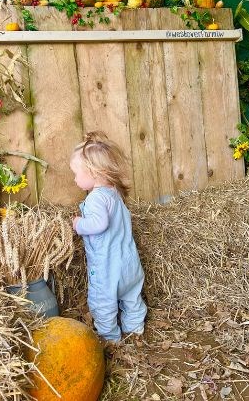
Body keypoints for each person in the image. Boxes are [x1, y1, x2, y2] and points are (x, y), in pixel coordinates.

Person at [69, 131, 147, 343]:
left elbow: (99, 224)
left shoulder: (96, 198)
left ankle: (110, 338)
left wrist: (79, 224)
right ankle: (135, 327)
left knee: (103, 304)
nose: (75, 179)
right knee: (132, 298)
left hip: (108, 268)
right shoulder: (115, 192)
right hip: (129, 265)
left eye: (76, 174)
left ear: (94, 173)